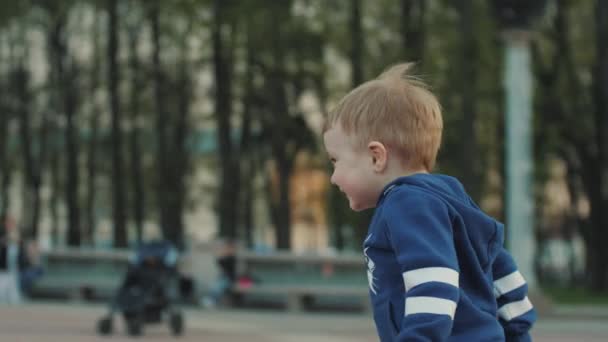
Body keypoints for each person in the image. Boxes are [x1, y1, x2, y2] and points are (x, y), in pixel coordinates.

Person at [322, 63, 536, 341]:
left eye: (335, 161)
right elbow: (500, 265)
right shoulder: (450, 195)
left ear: (377, 157)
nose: (333, 178)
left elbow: (433, 283)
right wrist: (519, 332)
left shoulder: (405, 204)